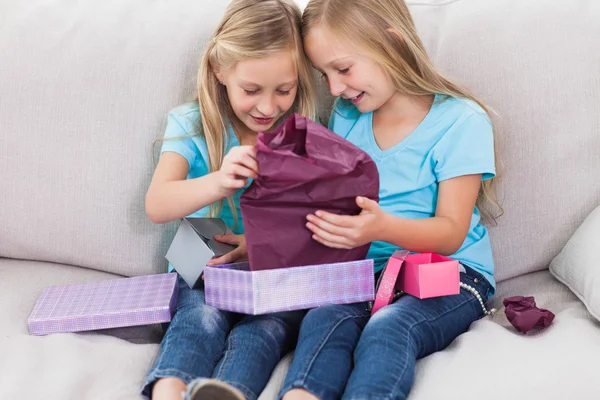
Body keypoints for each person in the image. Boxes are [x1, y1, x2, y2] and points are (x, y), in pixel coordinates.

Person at [280, 0, 501, 399]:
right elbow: (331, 206)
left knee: (389, 328)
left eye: (343, 69)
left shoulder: (461, 122)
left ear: (392, 44)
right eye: (324, 74)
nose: (334, 88)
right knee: (323, 319)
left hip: (453, 274)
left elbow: (451, 232)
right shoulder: (347, 117)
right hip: (367, 273)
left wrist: (382, 227)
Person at [142, 1, 318, 399]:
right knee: (198, 320)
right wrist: (219, 181)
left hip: (272, 262)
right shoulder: (192, 122)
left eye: (284, 90)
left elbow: (312, 222)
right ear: (221, 71)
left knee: (267, 330)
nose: (268, 106)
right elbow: (158, 204)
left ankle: (226, 392)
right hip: (201, 243)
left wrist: (261, 244)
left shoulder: (304, 133)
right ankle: (169, 389)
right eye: (251, 90)